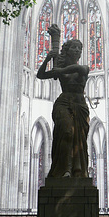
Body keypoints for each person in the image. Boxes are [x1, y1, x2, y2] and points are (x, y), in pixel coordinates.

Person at [37, 28, 90, 178]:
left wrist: (58, 71)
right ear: (68, 51)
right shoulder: (61, 68)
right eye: (74, 47)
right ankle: (64, 170)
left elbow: (77, 69)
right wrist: (48, 59)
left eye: (79, 48)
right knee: (66, 132)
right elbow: (40, 75)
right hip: (64, 102)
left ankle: (77, 171)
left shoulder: (83, 68)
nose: (77, 50)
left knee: (79, 139)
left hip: (80, 105)